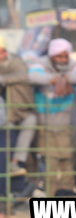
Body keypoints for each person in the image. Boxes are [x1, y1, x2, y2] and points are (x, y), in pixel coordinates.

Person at [27, 38, 76, 196]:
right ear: (51, 56)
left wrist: (66, 79)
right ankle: (51, 201)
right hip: (47, 126)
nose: (63, 60)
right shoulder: (41, 64)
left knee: (68, 165)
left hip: (68, 127)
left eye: (65, 56)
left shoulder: (73, 65)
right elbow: (32, 76)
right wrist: (55, 80)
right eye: (59, 56)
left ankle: (67, 201)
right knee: (50, 166)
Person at [0, 41, 36, 179]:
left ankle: (15, 162)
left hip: (20, 109)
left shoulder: (15, 61)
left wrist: (3, 79)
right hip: (4, 114)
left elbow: (24, 76)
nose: (3, 55)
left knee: (31, 121)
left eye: (3, 51)